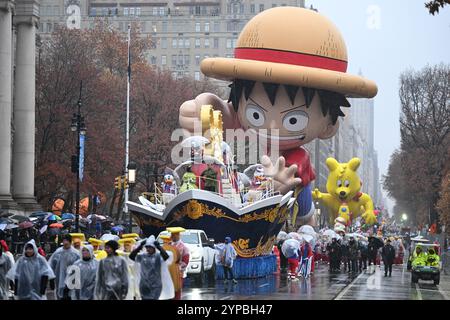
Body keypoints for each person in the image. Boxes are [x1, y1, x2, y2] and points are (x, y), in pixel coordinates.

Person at [129, 236, 173, 300]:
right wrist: (140, 246)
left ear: (154, 248)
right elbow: (131, 256)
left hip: (156, 285)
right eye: (147, 247)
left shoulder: (158, 257)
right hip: (144, 285)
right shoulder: (142, 256)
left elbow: (166, 257)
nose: (148, 249)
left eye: (150, 247)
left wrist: (159, 247)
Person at [48, 233, 80, 300]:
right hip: (59, 279)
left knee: (71, 296)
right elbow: (50, 265)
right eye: (64, 240)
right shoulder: (58, 252)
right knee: (60, 296)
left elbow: (80, 267)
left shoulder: (76, 253)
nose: (65, 242)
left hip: (72, 280)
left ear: (70, 242)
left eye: (67, 241)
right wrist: (51, 278)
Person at [168, 227, 190, 300]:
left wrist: (178, 268)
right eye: (172, 234)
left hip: (178, 273)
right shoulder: (168, 245)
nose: (172, 236)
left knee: (177, 292)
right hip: (168, 273)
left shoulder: (184, 247)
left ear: (178, 235)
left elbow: (185, 261)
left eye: (174, 235)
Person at [160, 234, 182, 299]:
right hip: (174, 271)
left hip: (164, 271)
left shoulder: (160, 249)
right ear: (170, 241)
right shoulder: (175, 248)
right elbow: (178, 259)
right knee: (175, 288)